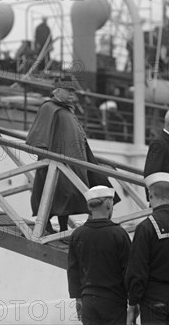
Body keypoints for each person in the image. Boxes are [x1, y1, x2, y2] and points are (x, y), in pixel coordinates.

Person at [26, 76, 118, 234]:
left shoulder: (66, 109)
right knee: (61, 193)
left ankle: (74, 227)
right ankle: (51, 225)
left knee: (81, 192)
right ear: (57, 91)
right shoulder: (49, 107)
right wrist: (43, 151)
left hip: (75, 161)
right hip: (57, 160)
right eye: (68, 91)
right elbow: (39, 132)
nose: (71, 94)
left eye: (73, 91)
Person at [126, 172, 169, 325]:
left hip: (153, 296)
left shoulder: (146, 226)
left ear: (150, 196)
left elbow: (137, 269)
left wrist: (133, 302)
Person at [67, 185, 130, 325]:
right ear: (108, 204)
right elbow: (129, 271)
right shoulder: (119, 234)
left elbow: (73, 270)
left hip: (88, 300)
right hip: (114, 301)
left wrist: (77, 298)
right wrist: (133, 302)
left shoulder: (77, 235)